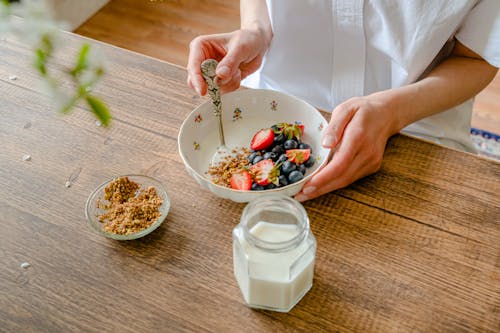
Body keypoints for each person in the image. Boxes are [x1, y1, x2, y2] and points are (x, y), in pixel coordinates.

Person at [187, 0, 499, 202]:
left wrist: (391, 112)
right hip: (274, 111)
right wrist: (256, 29)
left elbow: (475, 59)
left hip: (416, 132)